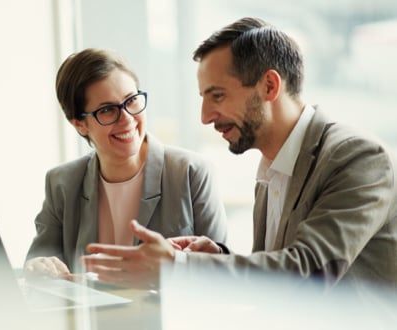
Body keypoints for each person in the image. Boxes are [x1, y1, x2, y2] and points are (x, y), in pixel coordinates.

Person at [82, 17, 397, 290]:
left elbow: (310, 273)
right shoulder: (273, 163)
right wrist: (217, 259)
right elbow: (277, 275)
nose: (205, 116)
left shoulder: (357, 157)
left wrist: (180, 268)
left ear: (269, 87)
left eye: (217, 95)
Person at [24, 48, 228, 278]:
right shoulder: (61, 182)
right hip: (92, 313)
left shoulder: (191, 172)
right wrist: (40, 266)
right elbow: (39, 261)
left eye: (131, 101)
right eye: (108, 110)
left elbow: (221, 272)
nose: (127, 119)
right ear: (79, 124)